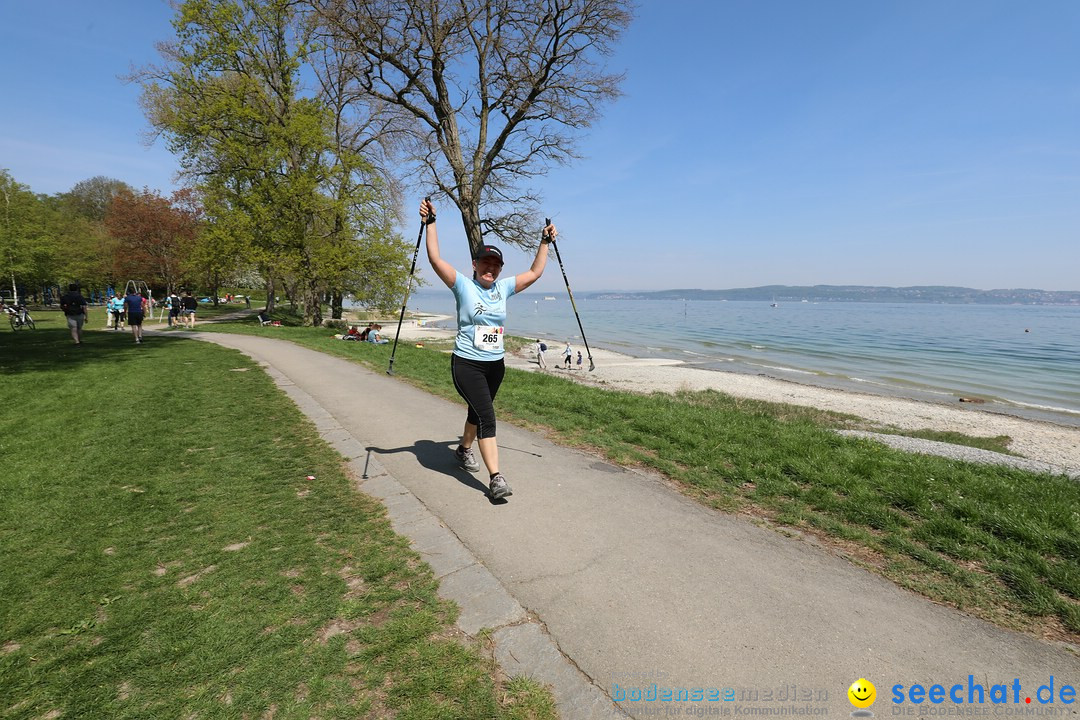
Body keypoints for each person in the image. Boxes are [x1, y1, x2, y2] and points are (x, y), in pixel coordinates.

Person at [421, 197, 556, 500]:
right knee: (487, 417)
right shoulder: (462, 285)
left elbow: (534, 273)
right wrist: (431, 223)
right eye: (486, 263)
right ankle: (496, 479)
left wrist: (544, 241)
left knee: (477, 412)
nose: (491, 269)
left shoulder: (503, 288)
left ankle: (463, 450)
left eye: (496, 265)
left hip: (496, 365)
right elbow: (435, 259)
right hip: (466, 363)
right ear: (475, 264)